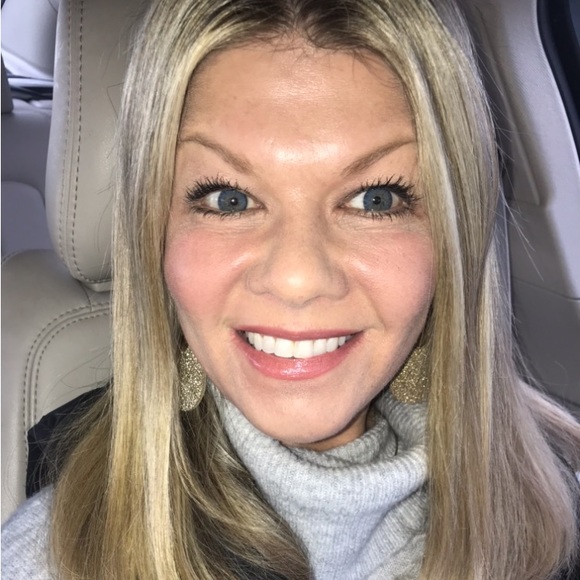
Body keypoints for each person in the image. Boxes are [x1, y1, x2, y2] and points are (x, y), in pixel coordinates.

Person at [3, 0, 580, 578]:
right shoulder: (51, 558)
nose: (297, 279)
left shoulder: (561, 491)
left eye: (375, 199)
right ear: (153, 230)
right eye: (229, 199)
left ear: (454, 238)